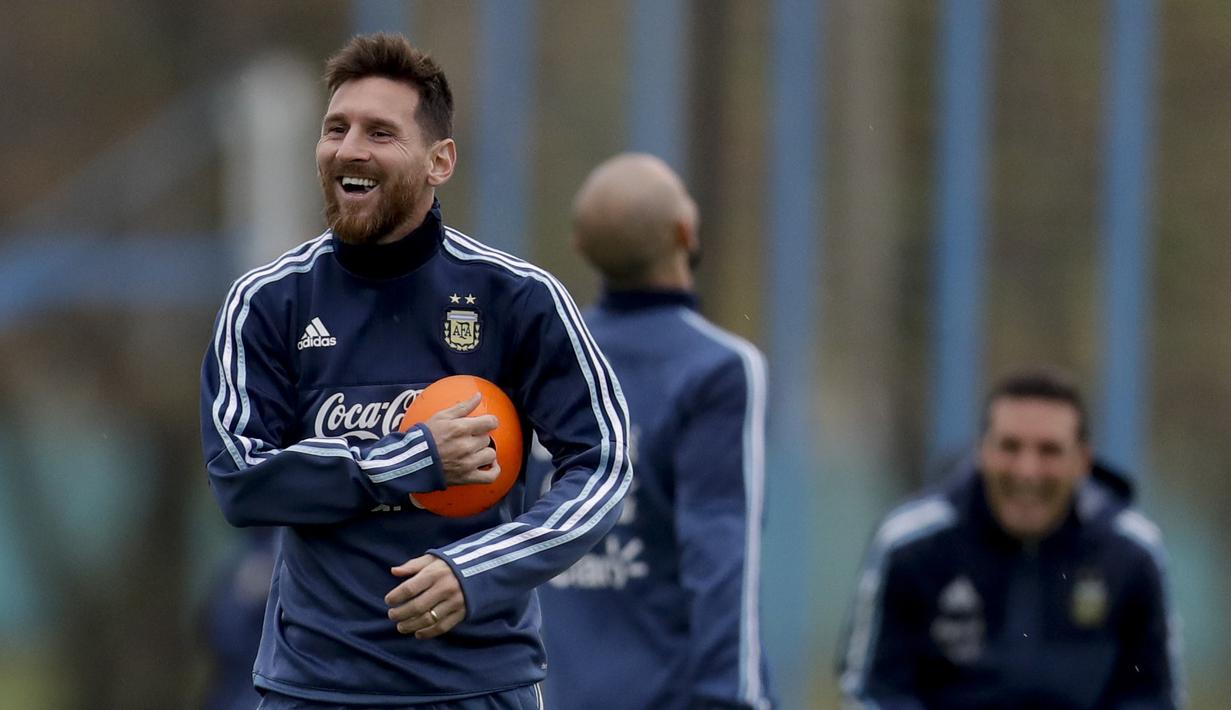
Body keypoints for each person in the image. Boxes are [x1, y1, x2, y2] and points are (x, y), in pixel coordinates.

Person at [199, 33, 631, 708]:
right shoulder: (269, 302)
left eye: (380, 133)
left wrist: (476, 571)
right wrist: (412, 459)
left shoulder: (516, 298)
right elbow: (239, 479)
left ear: (439, 161)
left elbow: (603, 463)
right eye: (336, 129)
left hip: (478, 687)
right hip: (316, 688)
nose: (350, 149)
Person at [526, 153, 774, 709]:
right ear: (686, 232)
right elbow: (720, 557)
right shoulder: (719, 369)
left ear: (579, 246)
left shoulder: (546, 356)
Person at [838, 370, 1182, 709]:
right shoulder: (910, 544)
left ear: (1082, 461)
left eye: (1049, 450)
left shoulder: (1132, 552)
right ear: (982, 451)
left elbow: (1153, 698)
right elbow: (874, 693)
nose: (1027, 471)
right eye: (1010, 447)